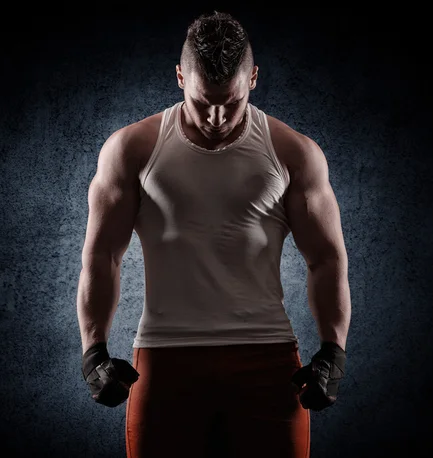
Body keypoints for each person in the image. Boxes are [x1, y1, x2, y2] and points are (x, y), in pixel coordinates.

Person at [76, 10, 351, 458]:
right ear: (181, 77)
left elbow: (326, 257)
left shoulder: (292, 152)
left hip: (267, 358)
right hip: (166, 360)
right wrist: (94, 353)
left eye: (232, 101)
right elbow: (102, 254)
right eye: (204, 102)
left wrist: (333, 352)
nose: (218, 116)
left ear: (254, 80)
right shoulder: (132, 149)